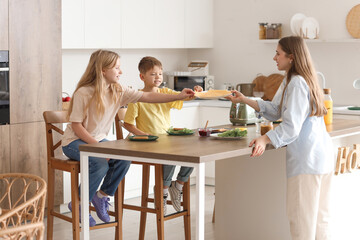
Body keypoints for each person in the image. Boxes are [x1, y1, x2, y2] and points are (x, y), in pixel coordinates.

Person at [62, 50, 195, 226]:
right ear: (102, 70)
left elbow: (148, 96)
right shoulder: (84, 93)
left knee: (124, 157)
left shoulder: (118, 90)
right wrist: (100, 148)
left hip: (97, 140)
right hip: (74, 141)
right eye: (117, 67)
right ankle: (80, 204)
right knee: (100, 162)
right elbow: (77, 126)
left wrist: (178, 96)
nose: (121, 72)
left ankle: (101, 195)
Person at [226, 36, 334, 240]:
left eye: (278, 53)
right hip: (321, 158)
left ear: (291, 57)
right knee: (320, 224)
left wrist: (265, 140)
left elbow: (291, 127)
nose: (274, 57)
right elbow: (276, 110)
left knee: (302, 225)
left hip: (307, 161)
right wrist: (245, 100)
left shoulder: (296, 83)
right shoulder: (296, 79)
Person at [123, 56, 202, 215]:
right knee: (170, 153)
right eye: (153, 74)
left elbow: (184, 96)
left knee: (194, 151)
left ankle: (178, 185)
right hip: (147, 143)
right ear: (142, 77)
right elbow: (128, 124)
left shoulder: (166, 93)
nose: (158, 77)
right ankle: (163, 191)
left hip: (165, 138)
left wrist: (196, 92)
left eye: (160, 73)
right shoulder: (136, 98)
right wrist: (143, 135)